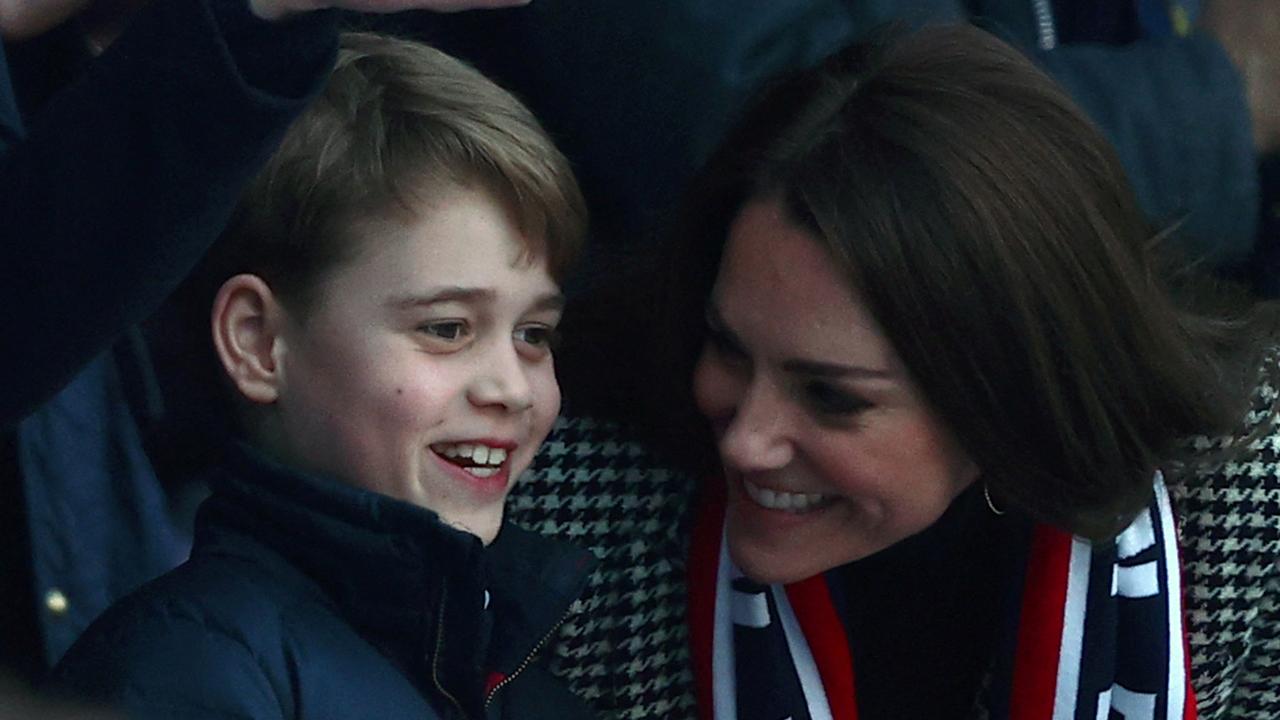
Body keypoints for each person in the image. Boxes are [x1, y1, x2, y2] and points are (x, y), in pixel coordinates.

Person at [647, 24, 1280, 719]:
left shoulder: (1243, 506)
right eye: (729, 348)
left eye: (831, 396)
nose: (745, 440)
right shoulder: (598, 511)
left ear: (1010, 397)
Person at [50, 31, 593, 720]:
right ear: (257, 342)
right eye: (447, 329)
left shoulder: (523, 683)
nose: (513, 389)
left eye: (534, 335)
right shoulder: (189, 671)